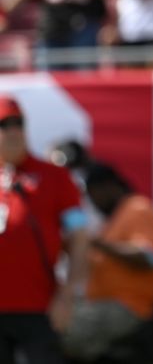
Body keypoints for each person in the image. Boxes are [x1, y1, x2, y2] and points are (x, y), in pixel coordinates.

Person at [0, 95, 89, 364]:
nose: (14, 131)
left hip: (41, 309)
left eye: (19, 123)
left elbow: (80, 239)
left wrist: (68, 295)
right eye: (5, 124)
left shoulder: (55, 176)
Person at [60, 162, 153, 362]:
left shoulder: (137, 208)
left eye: (91, 193)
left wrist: (98, 244)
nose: (91, 201)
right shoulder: (113, 220)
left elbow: (150, 258)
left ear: (108, 186)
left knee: (56, 332)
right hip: (101, 304)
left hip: (130, 306)